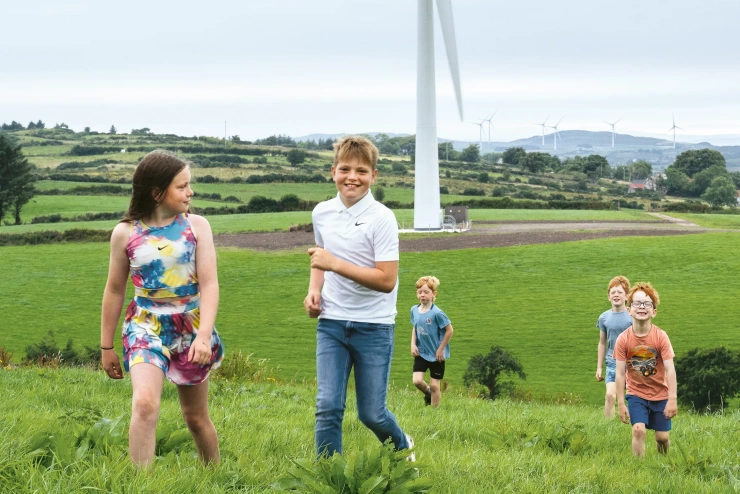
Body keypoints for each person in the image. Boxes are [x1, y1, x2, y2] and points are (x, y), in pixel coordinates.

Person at [100, 150, 224, 468]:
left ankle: (216, 476)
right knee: (144, 403)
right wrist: (106, 345)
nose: (190, 192)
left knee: (195, 418)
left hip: (191, 328)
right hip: (145, 325)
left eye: (189, 185)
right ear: (157, 192)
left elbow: (210, 285)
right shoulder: (124, 233)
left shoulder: (197, 227)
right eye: (182, 187)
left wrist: (204, 336)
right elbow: (114, 290)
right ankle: (142, 485)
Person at [303, 135, 414, 459]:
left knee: (372, 414)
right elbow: (319, 259)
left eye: (362, 171)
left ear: (374, 176)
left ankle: (403, 446)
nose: (353, 177)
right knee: (327, 406)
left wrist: (334, 263)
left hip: (374, 327)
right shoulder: (322, 213)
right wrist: (314, 290)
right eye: (346, 169)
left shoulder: (382, 218)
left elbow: (386, 280)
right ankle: (328, 477)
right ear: (333, 171)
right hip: (333, 323)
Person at [614, 282, 677, 457]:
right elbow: (619, 373)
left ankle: (663, 461)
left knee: (662, 437)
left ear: (654, 311)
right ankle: (638, 468)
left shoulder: (661, 337)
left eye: (647, 304)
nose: (642, 307)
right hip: (636, 393)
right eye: (637, 303)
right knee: (638, 430)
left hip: (661, 394)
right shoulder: (623, 339)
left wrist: (672, 398)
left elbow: (670, 370)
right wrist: (620, 403)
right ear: (629, 309)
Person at [410, 276, 453, 407]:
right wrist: (412, 344)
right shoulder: (414, 310)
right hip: (421, 352)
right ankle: (428, 393)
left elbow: (449, 330)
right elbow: (415, 327)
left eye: (426, 292)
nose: (422, 295)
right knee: (417, 381)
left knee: (435, 385)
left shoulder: (437, 313)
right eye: (420, 292)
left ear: (433, 294)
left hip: (436, 355)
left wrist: (441, 349)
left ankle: (434, 413)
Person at [595, 275, 632, 418]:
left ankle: (633, 424)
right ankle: (607, 426)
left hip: (630, 364)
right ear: (608, 297)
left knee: (632, 398)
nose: (616, 295)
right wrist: (599, 367)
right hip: (612, 362)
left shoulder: (632, 317)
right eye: (613, 292)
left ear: (627, 296)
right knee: (610, 395)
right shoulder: (604, 317)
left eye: (620, 292)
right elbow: (602, 343)